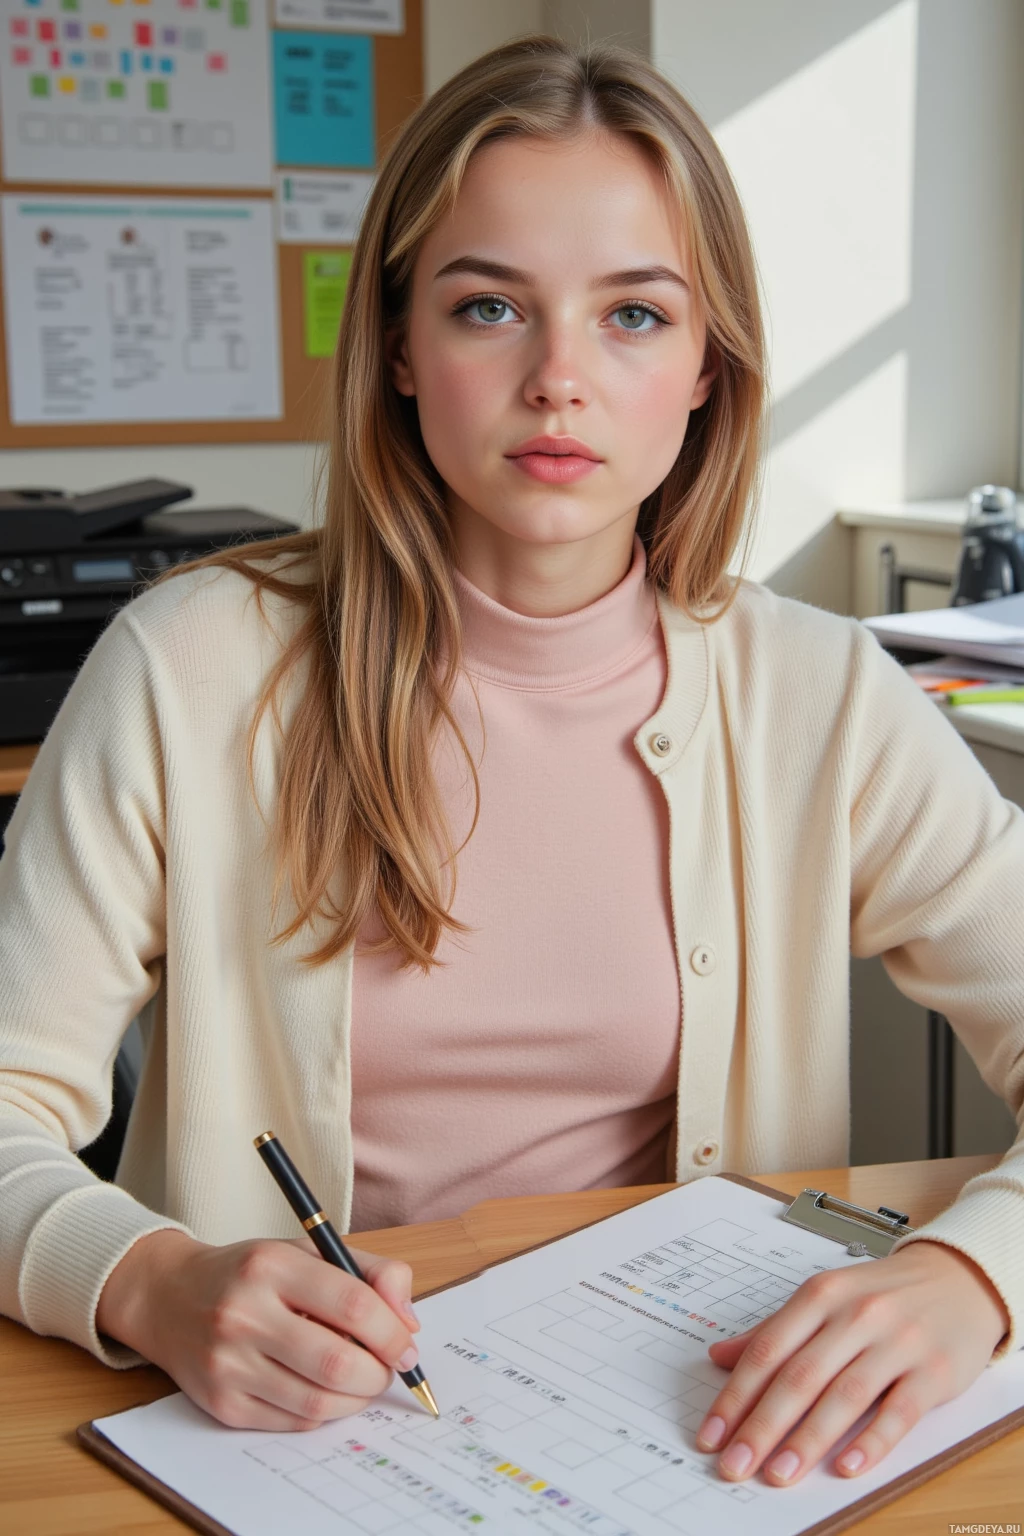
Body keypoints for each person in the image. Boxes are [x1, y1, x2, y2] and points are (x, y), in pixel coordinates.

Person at [0, 35, 1021, 1494]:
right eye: (490, 307)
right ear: (402, 347)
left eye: (632, 315)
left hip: (692, 1430)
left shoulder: (820, 692)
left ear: (705, 369)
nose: (559, 380)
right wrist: (148, 1279)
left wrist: (974, 1281)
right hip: (305, 1446)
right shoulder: (186, 666)